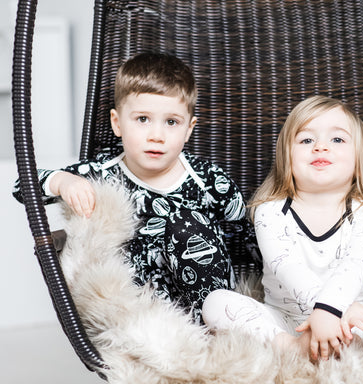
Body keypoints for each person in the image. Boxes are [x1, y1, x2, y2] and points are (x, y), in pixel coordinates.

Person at [12, 52, 258, 323]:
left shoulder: (209, 180)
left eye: (171, 122)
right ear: (118, 123)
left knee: (185, 224)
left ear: (189, 129)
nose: (156, 135)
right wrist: (63, 181)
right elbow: (21, 185)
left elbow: (250, 238)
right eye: (143, 119)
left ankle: (214, 330)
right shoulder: (103, 172)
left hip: (213, 304)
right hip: (142, 313)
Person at [202, 95, 363, 361]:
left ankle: (345, 343)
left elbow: (356, 265)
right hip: (289, 321)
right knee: (216, 302)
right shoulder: (271, 210)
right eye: (306, 140)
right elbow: (287, 266)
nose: (321, 147)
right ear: (287, 156)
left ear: (359, 159)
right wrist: (326, 312)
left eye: (337, 139)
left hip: (352, 319)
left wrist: (336, 312)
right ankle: (294, 348)